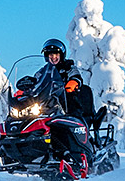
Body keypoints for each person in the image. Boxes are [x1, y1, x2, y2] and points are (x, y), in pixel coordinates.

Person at [31, 38, 97, 173]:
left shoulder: (69, 67)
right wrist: (26, 88)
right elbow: (35, 82)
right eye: (50, 55)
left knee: (74, 116)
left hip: (68, 103)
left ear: (61, 55)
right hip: (49, 105)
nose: (53, 57)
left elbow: (76, 76)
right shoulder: (43, 72)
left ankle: (85, 145)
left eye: (56, 54)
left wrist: (73, 83)